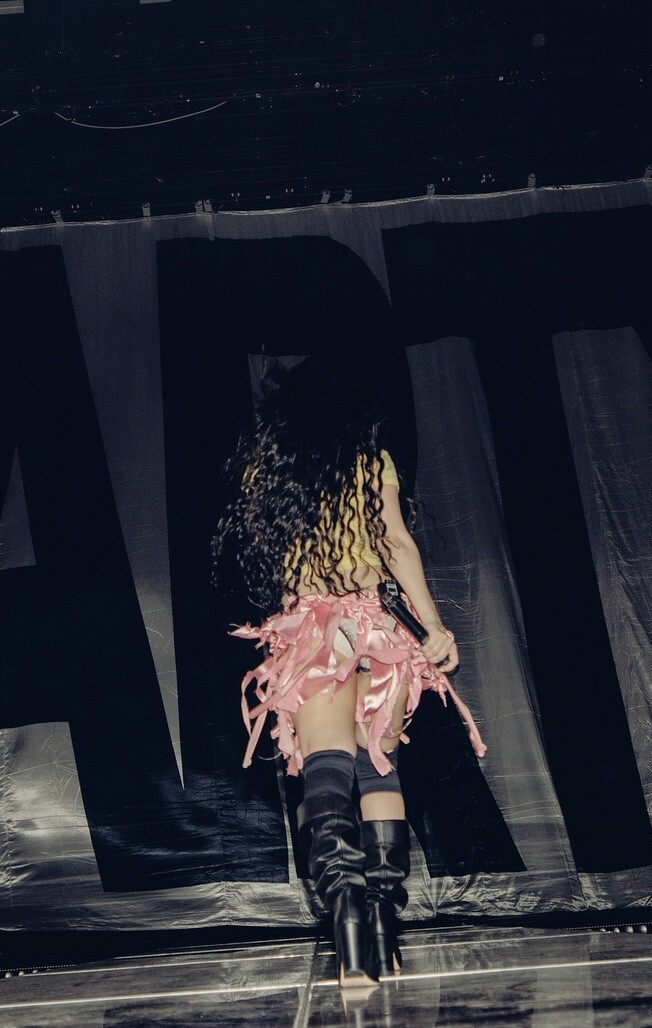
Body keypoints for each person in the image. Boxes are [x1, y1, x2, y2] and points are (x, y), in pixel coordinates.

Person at [214, 355, 486, 988]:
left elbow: (263, 555)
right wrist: (432, 625)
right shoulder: (371, 461)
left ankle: (351, 938)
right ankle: (386, 933)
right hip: (382, 631)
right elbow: (396, 543)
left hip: (318, 633)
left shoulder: (270, 467)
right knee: (379, 767)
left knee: (327, 769)